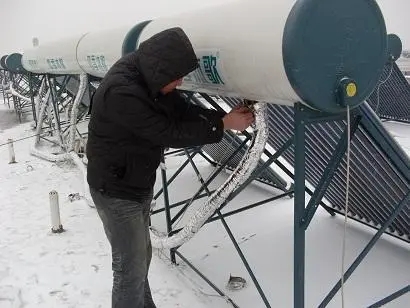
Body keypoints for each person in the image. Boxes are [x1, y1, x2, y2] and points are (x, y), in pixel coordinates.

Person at [86, 27, 254, 308]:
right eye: (177, 78)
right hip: (116, 190)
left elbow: (180, 110)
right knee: (129, 268)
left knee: (141, 257)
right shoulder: (123, 92)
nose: (180, 83)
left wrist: (221, 117)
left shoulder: (147, 77)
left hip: (133, 180)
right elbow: (168, 132)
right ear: (161, 70)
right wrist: (223, 125)